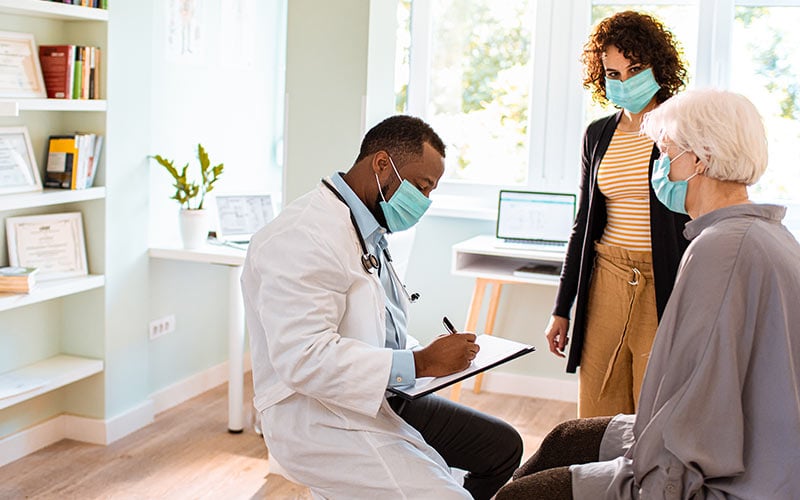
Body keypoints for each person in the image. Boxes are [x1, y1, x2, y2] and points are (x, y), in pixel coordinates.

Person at [497, 88, 800, 499]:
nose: (659, 167)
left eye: (665, 153)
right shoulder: (768, 235)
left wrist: (648, 485)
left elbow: (694, 416)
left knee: (521, 495)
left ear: (699, 159)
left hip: (729, 475)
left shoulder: (720, 251)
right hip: (747, 445)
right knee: (566, 437)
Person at [242, 115, 523, 499]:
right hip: (319, 416)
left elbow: (372, 322)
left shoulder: (368, 229)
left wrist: (423, 354)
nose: (424, 202)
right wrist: (421, 363)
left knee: (502, 448)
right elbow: (304, 359)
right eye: (422, 187)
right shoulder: (302, 236)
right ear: (381, 164)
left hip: (383, 394)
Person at [546, 10, 691, 417]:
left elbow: (696, 218)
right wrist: (561, 308)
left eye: (636, 69)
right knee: (597, 402)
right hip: (606, 277)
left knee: (654, 404)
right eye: (614, 73)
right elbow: (583, 226)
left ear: (658, 66)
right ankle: (598, 481)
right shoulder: (597, 135)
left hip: (662, 279)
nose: (625, 82)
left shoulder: (682, 128)